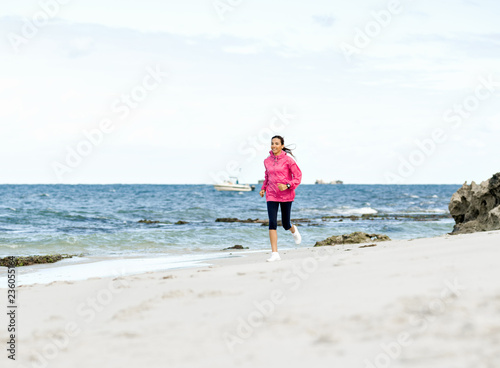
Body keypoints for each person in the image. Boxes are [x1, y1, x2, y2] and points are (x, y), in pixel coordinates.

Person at [259, 135, 302, 262]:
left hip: (286, 195)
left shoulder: (288, 160)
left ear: (282, 146)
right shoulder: (267, 161)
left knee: (285, 223)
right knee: (272, 223)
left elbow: (298, 176)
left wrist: (288, 185)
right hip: (271, 194)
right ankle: (275, 253)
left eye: (277, 143)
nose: (274, 146)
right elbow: (267, 176)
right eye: (272, 143)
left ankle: (293, 229)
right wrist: (263, 188)